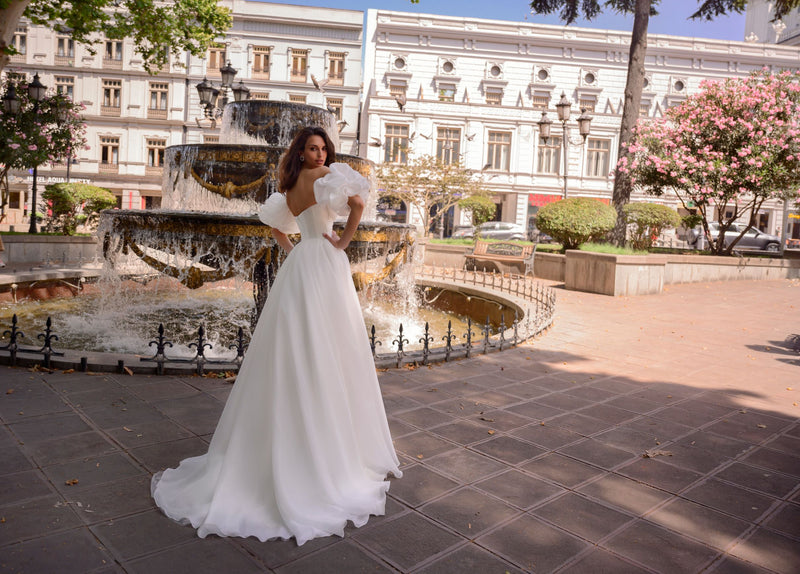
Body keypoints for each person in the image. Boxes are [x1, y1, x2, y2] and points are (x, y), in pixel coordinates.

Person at [151, 126, 402, 545]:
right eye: (313, 148)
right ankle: (328, 445)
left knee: (295, 345)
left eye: (323, 149)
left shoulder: (286, 190)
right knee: (331, 347)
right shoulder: (329, 177)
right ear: (301, 153)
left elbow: (277, 230)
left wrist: (298, 250)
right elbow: (358, 205)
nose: (320, 154)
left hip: (302, 263)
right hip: (324, 263)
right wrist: (341, 242)